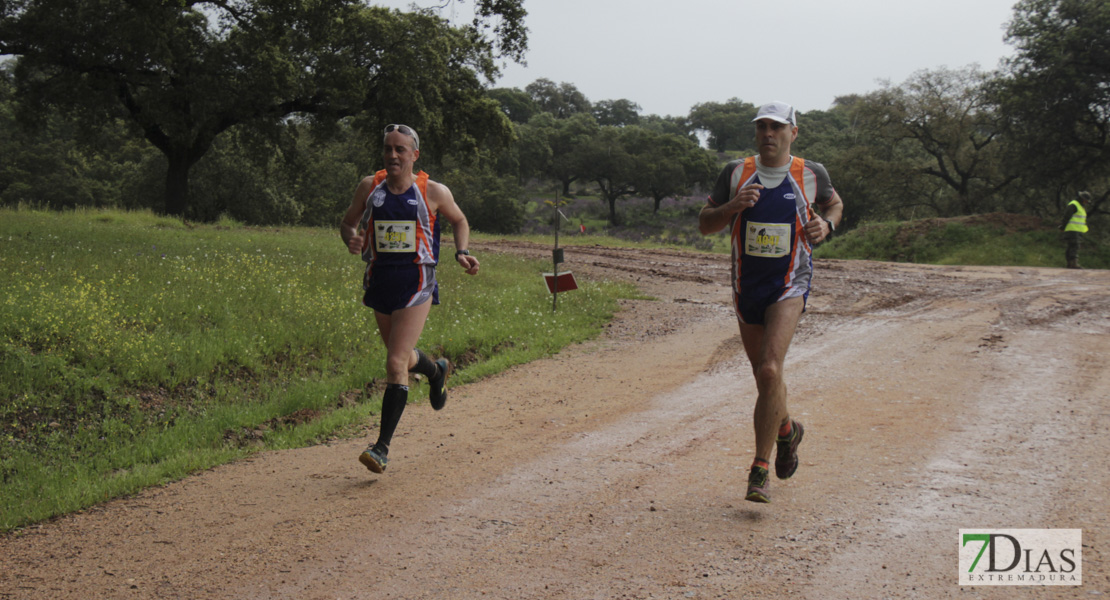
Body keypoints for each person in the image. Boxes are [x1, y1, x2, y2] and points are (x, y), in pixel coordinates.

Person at [698, 101, 844, 503]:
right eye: (762, 127)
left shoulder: (811, 174)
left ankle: (759, 469)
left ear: (793, 133)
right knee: (766, 378)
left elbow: (834, 203)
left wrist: (826, 224)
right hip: (747, 285)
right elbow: (705, 222)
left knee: (768, 369)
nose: (769, 134)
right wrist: (732, 207)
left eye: (777, 127)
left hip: (789, 285)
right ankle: (786, 430)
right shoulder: (735, 172)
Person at [339, 124, 481, 474]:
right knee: (399, 358)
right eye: (388, 148)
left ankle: (381, 447)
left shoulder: (432, 191)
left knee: (394, 362)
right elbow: (348, 224)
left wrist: (461, 251)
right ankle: (436, 371)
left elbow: (460, 219)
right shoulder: (369, 187)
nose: (392, 155)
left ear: (414, 155)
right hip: (379, 280)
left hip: (418, 281)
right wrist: (352, 239)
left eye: (400, 149)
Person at [1060, 191, 1092, 269]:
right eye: (1086, 201)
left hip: (1076, 230)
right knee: (1075, 246)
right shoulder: (1074, 205)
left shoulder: (1080, 206)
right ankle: (1074, 263)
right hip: (1072, 229)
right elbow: (1066, 216)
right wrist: (1063, 227)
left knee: (1071, 246)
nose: (1086, 202)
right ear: (1082, 199)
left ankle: (1070, 263)